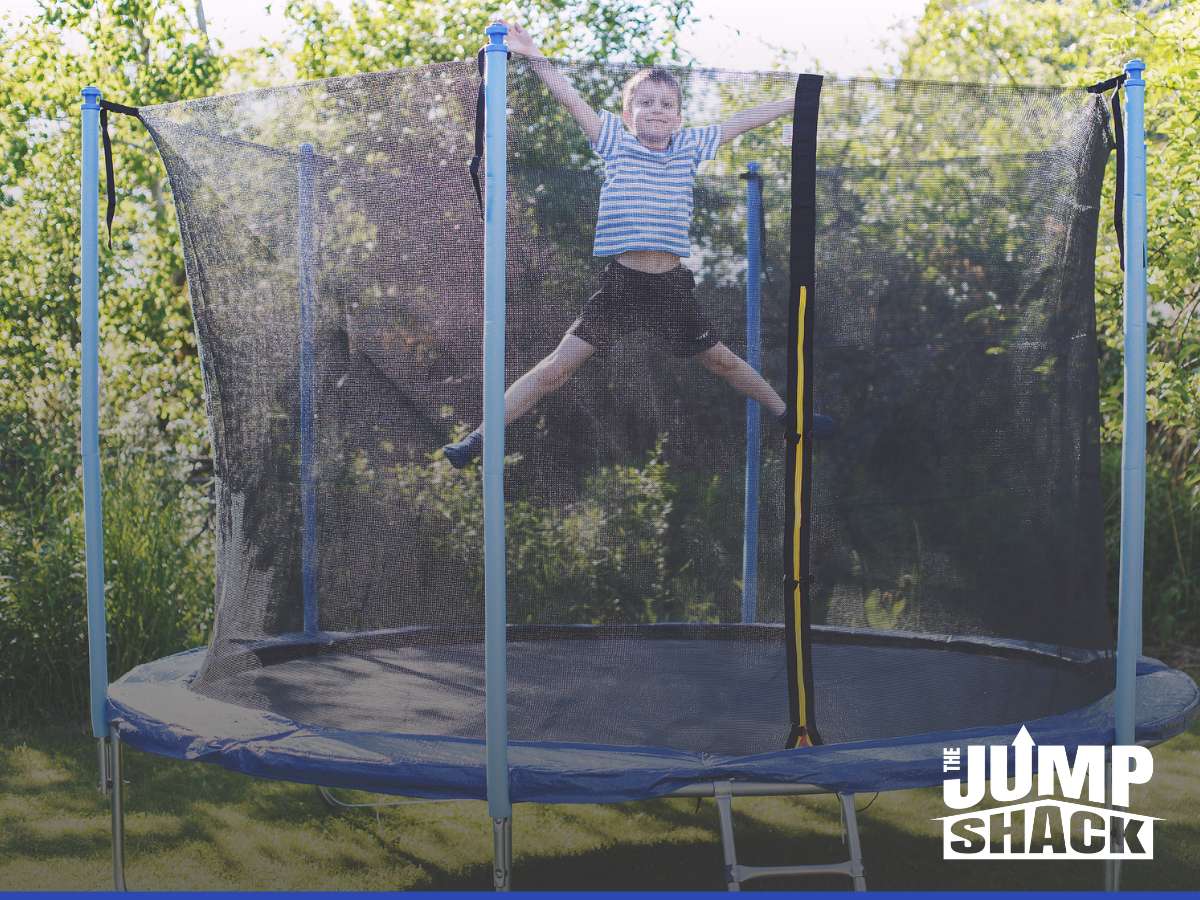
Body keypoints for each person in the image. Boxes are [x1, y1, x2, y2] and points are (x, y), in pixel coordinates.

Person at [443, 22, 794, 468]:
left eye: (666, 104)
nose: (656, 110)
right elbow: (571, 100)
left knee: (721, 361)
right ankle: (479, 437)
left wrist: (795, 102)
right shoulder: (614, 142)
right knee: (557, 369)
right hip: (623, 287)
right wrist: (535, 56)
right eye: (645, 103)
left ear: (679, 117)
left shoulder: (689, 146)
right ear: (628, 116)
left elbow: (742, 121)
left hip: (669, 289)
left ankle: (788, 416)